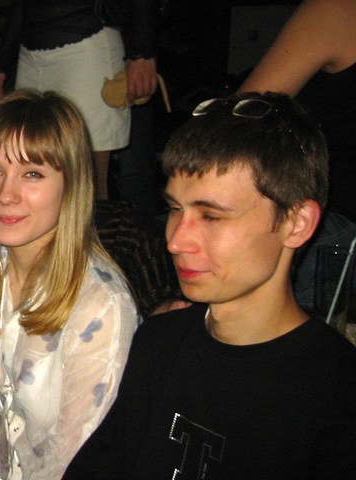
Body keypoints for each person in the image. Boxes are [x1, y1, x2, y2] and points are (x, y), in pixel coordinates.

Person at [64, 92, 356, 479]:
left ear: (296, 223)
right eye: (175, 209)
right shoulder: (158, 344)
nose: (175, 241)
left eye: (211, 217)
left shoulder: (336, 393)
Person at [0, 89, 139, 479]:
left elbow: (73, 465)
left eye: (32, 174)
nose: (6, 195)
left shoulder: (100, 308)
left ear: (71, 184)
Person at [0, 0, 160, 200]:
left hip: (87, 43)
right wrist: (1, 63)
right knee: (27, 162)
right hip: (31, 51)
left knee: (86, 179)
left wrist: (142, 53)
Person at [238, 0, 356, 221]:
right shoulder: (337, 11)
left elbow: (236, 121)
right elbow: (240, 118)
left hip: (326, 215)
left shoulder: (336, 10)